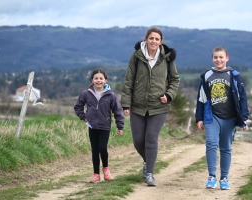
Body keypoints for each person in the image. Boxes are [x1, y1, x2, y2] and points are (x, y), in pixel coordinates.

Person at [121, 27, 180, 186]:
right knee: (138, 141)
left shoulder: (167, 58)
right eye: (151, 38)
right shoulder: (137, 57)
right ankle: (148, 162)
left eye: (157, 39)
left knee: (151, 138)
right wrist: (126, 103)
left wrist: (168, 95)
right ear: (146, 39)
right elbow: (128, 80)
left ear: (161, 42)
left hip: (159, 106)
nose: (154, 41)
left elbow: (175, 80)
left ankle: (150, 174)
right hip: (137, 105)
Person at [195, 46, 249, 190]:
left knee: (226, 148)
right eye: (215, 57)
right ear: (212, 59)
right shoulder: (206, 76)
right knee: (211, 143)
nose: (218, 60)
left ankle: (224, 178)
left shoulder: (234, 75)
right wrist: (199, 117)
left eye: (221, 57)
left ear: (227, 58)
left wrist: (243, 117)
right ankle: (211, 176)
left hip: (230, 117)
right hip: (212, 116)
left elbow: (242, 97)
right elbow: (201, 98)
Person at [74, 68, 124, 183]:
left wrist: (120, 126)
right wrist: (84, 117)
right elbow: (78, 107)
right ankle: (96, 174)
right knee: (95, 150)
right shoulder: (86, 94)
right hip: (92, 126)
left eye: (101, 78)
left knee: (102, 148)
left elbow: (117, 111)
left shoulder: (111, 95)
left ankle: (106, 169)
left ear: (105, 80)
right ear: (92, 80)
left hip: (105, 126)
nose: (98, 80)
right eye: (96, 78)